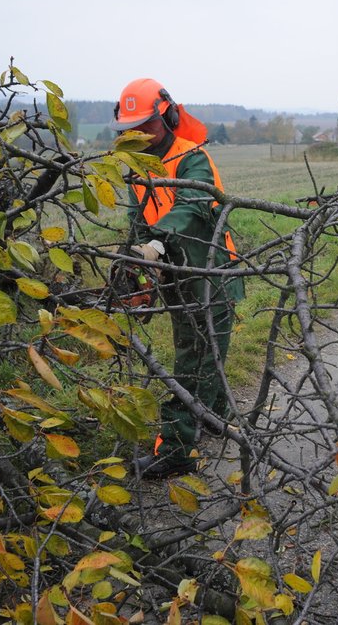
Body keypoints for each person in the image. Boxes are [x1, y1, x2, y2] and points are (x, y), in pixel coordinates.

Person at [109, 78, 244, 479]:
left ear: (166, 114)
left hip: (210, 271)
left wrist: (157, 243)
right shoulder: (139, 165)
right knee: (200, 351)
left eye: (147, 125)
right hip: (174, 276)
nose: (140, 135)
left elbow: (194, 205)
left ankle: (176, 449)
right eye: (132, 128)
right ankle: (214, 417)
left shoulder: (193, 158)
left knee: (195, 361)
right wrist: (133, 265)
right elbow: (138, 219)